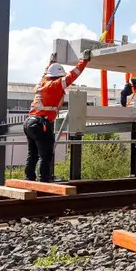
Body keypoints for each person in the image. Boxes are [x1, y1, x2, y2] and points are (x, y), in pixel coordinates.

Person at [24, 49, 91, 182]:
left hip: (29, 123)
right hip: (41, 123)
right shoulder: (56, 85)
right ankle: (44, 180)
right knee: (46, 155)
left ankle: (29, 178)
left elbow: (45, 73)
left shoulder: (42, 83)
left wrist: (51, 63)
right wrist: (84, 61)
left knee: (33, 154)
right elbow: (73, 75)